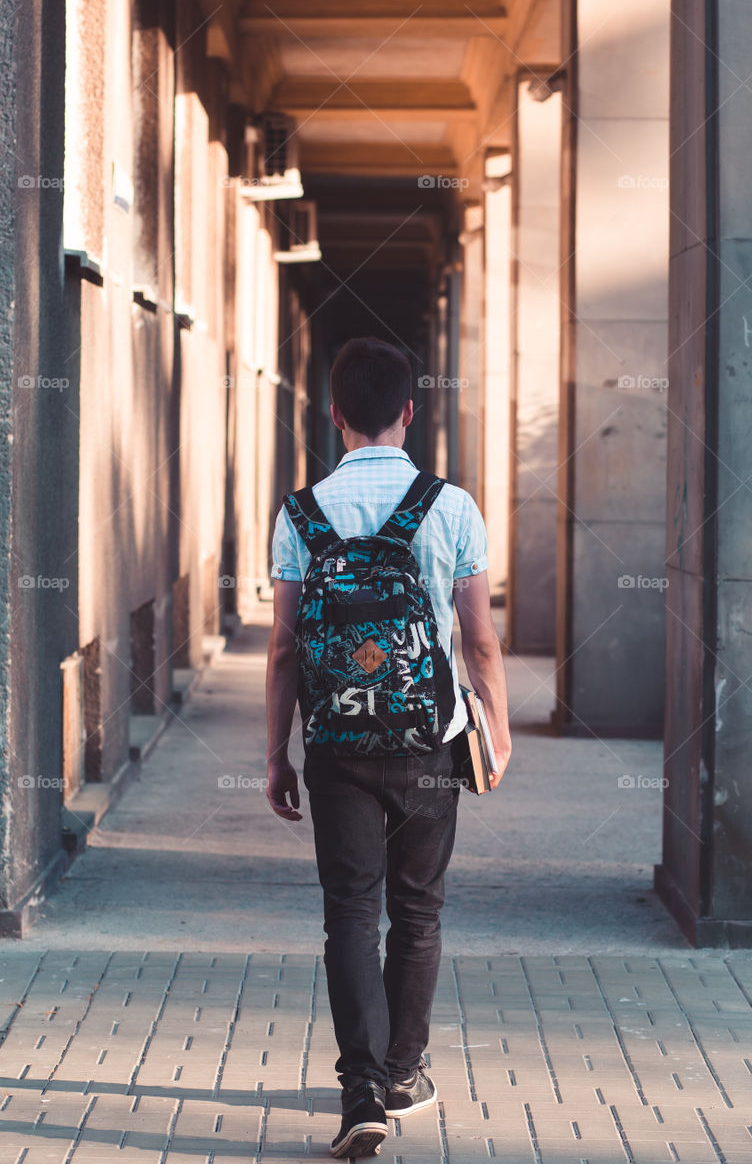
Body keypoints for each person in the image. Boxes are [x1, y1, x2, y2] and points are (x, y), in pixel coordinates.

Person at [266, 336, 512, 1158]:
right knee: (417, 910)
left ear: (334, 416)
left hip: (335, 744)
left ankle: (360, 1091)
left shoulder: (300, 512)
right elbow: (478, 639)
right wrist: (497, 732)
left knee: (349, 914)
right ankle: (403, 1073)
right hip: (428, 744)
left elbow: (280, 648)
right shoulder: (452, 505)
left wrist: (276, 753)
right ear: (410, 411)